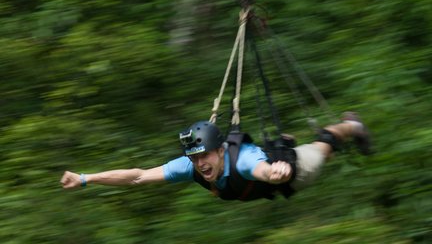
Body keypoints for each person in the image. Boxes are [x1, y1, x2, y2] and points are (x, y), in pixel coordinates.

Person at [60, 112, 371, 201]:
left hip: (296, 171)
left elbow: (261, 171)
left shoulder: (245, 159)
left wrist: (276, 173)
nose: (199, 164)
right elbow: (138, 176)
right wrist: (87, 179)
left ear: (220, 149)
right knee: (321, 148)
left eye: (204, 155)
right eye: (193, 158)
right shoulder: (190, 166)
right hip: (272, 175)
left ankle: (352, 125)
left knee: (323, 147)